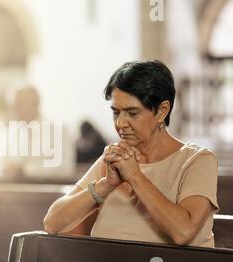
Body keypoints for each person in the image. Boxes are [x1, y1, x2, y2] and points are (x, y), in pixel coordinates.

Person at [44, 60, 218, 248]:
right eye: (116, 113)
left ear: (162, 110)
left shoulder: (198, 161)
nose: (120, 124)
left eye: (132, 113)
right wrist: (106, 185)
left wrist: (135, 176)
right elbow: (52, 223)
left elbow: (183, 232)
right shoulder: (112, 159)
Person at [0, 82, 75, 181]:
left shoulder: (59, 130)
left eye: (19, 104)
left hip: (50, 193)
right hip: (12, 193)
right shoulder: (10, 132)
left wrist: (26, 170)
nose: (14, 109)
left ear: (36, 103)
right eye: (13, 105)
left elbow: (65, 169)